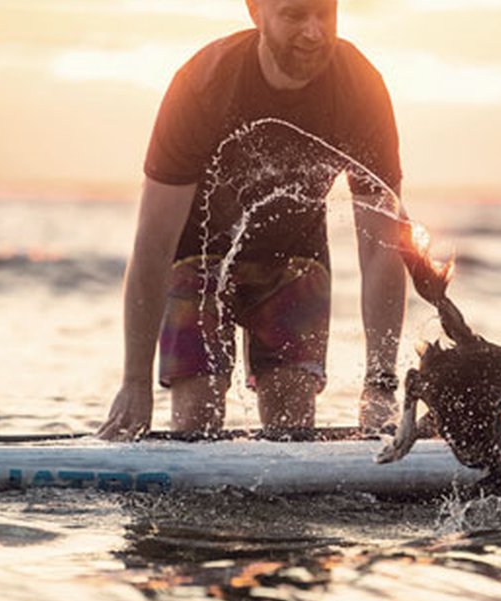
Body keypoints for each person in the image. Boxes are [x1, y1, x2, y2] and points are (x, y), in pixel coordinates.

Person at [98, 0, 407, 439]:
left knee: (292, 427)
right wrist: (134, 384)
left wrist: (380, 388)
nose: (314, 32)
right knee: (196, 420)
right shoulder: (203, 85)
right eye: (295, 15)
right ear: (255, 11)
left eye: (325, 14)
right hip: (197, 257)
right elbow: (153, 242)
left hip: (295, 258)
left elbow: (382, 248)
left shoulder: (360, 89)